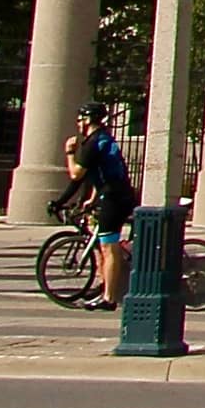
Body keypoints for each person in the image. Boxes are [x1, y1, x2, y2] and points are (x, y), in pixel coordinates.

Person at [67, 100, 138, 309]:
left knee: (109, 246)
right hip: (114, 194)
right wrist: (92, 198)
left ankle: (109, 298)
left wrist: (69, 153)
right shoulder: (103, 139)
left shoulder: (92, 143)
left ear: (87, 120)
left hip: (114, 198)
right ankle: (103, 285)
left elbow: (76, 174)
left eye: (79, 119)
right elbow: (103, 173)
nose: (78, 124)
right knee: (103, 243)